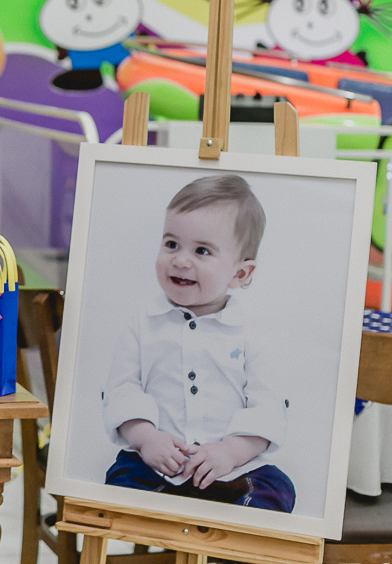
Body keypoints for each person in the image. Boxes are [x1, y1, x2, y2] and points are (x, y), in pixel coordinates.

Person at [102, 174, 296, 512]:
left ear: (241, 274)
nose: (180, 260)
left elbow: (268, 406)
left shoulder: (251, 333)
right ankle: (154, 520)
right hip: (159, 465)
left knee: (277, 489)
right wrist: (147, 438)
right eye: (171, 244)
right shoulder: (143, 324)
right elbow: (122, 390)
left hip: (232, 468)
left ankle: (230, 546)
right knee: (120, 481)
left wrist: (230, 452)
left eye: (202, 250)